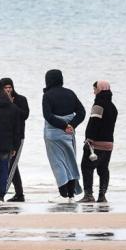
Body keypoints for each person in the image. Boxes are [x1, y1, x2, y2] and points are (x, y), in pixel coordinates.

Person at [42, 69, 86, 203]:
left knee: (58, 163)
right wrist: (71, 125)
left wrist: (63, 126)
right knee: (70, 162)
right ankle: (71, 195)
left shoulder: (48, 95)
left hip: (53, 135)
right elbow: (82, 112)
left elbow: (48, 116)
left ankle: (63, 194)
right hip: (69, 134)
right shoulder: (70, 93)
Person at [79, 80, 118, 203]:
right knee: (103, 169)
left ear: (100, 89)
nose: (93, 92)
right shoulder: (113, 107)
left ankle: (88, 195)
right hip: (109, 144)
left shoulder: (98, 105)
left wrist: (89, 139)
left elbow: (94, 124)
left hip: (96, 144)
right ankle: (102, 196)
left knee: (86, 167)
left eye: (95, 89)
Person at [0, 77, 29, 202]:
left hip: (18, 137)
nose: (8, 90)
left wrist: (12, 105)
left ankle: (12, 193)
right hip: (4, 137)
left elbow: (25, 115)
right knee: (11, 165)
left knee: (12, 164)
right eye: (5, 88)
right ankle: (19, 193)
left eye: (9, 87)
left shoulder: (21, 99)